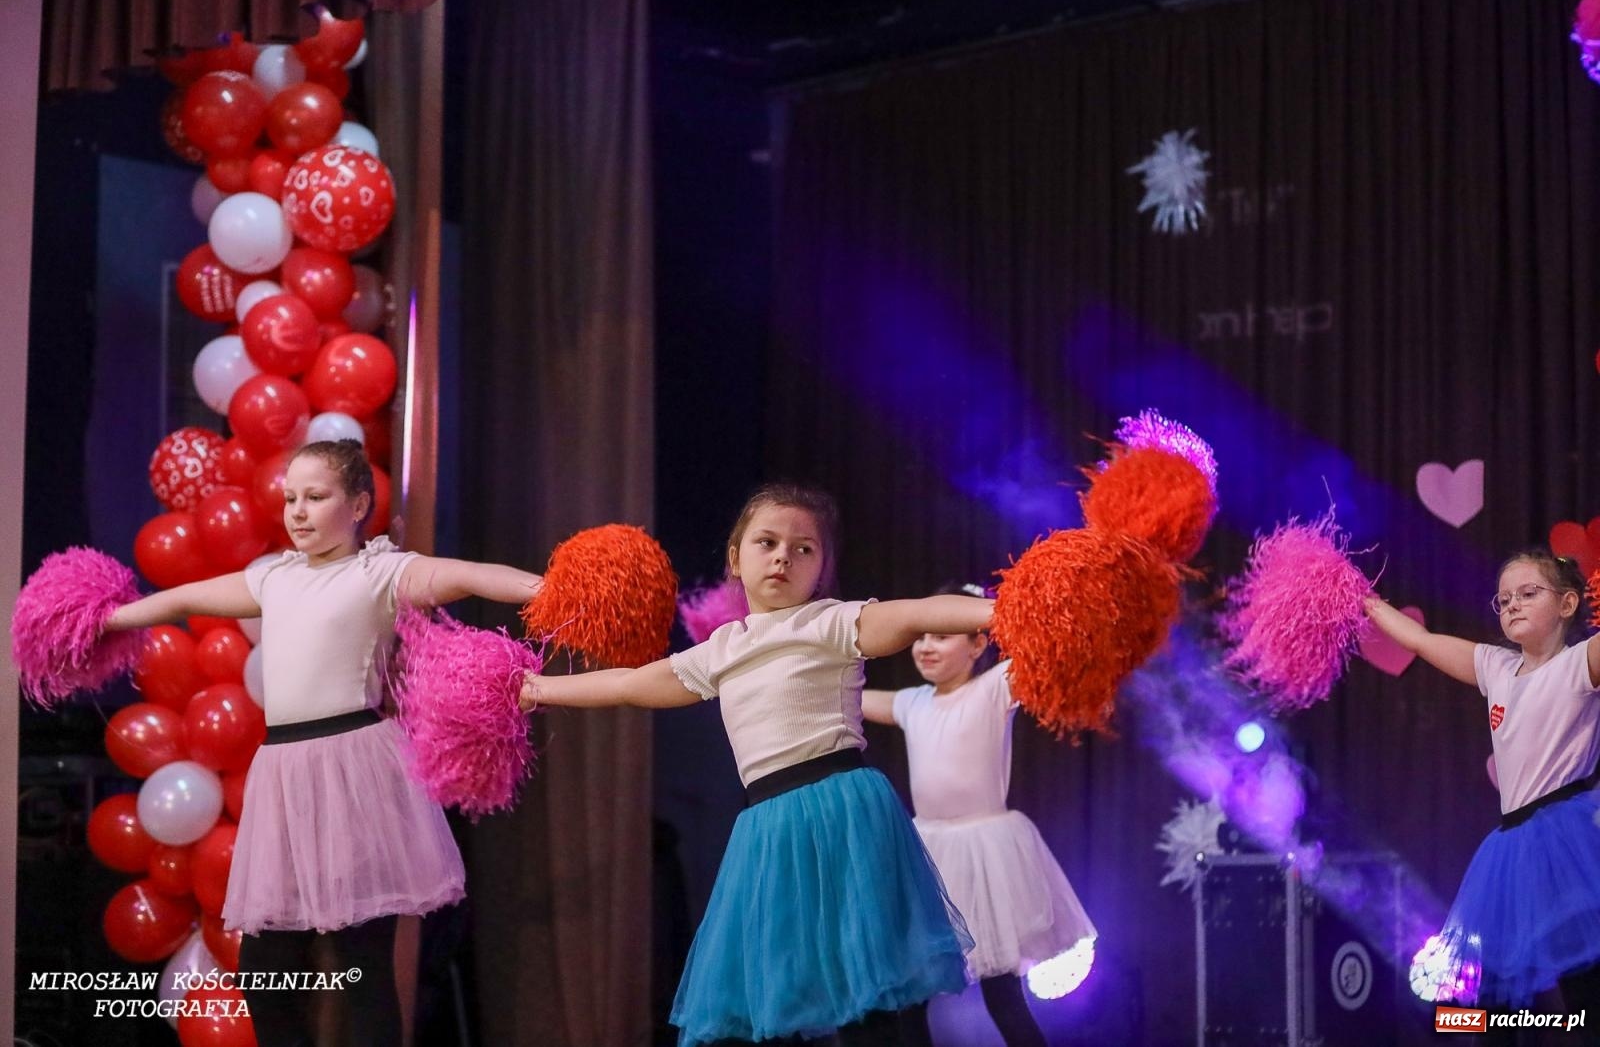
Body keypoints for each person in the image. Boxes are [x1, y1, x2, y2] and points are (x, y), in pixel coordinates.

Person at [107, 439, 544, 1047]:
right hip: (284, 775)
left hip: (353, 769)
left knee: (361, 966)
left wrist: (548, 590)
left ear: (359, 502)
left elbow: (471, 575)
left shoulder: (381, 572)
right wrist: (104, 619)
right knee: (267, 972)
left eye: (316, 497)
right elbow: (181, 598)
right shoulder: (274, 578)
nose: (299, 512)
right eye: (291, 499)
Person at [520, 483, 983, 1046]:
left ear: (822, 568)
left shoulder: (832, 622)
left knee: (878, 1003)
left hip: (843, 814)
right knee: (781, 999)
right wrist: (538, 688)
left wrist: (1006, 609)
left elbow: (921, 613)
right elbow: (629, 683)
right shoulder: (723, 648)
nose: (784, 556)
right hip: (769, 830)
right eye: (767, 542)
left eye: (803, 548)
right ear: (736, 559)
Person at [1364, 549, 1600, 1037]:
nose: (1512, 604)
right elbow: (1421, 639)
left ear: (1568, 603)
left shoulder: (1581, 662)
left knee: (1585, 987)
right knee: (1474, 1012)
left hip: (1567, 841)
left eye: (1529, 593)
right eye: (1504, 598)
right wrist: (1362, 600)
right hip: (1510, 851)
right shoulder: (1495, 667)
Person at [862, 584, 1095, 1047]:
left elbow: (1047, 647)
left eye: (943, 636)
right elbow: (850, 699)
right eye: (921, 636)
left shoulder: (996, 687)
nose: (927, 646)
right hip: (929, 853)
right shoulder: (912, 703)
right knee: (912, 994)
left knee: (1003, 995)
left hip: (988, 854)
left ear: (978, 645)